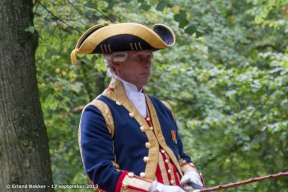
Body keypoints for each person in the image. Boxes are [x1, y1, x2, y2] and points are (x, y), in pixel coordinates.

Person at [71, 22, 204, 192]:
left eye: (149, 57)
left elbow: (180, 157)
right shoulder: (98, 111)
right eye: (139, 58)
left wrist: (191, 173)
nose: (147, 63)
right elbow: (101, 173)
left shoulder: (163, 108)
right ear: (117, 63)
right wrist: (156, 189)